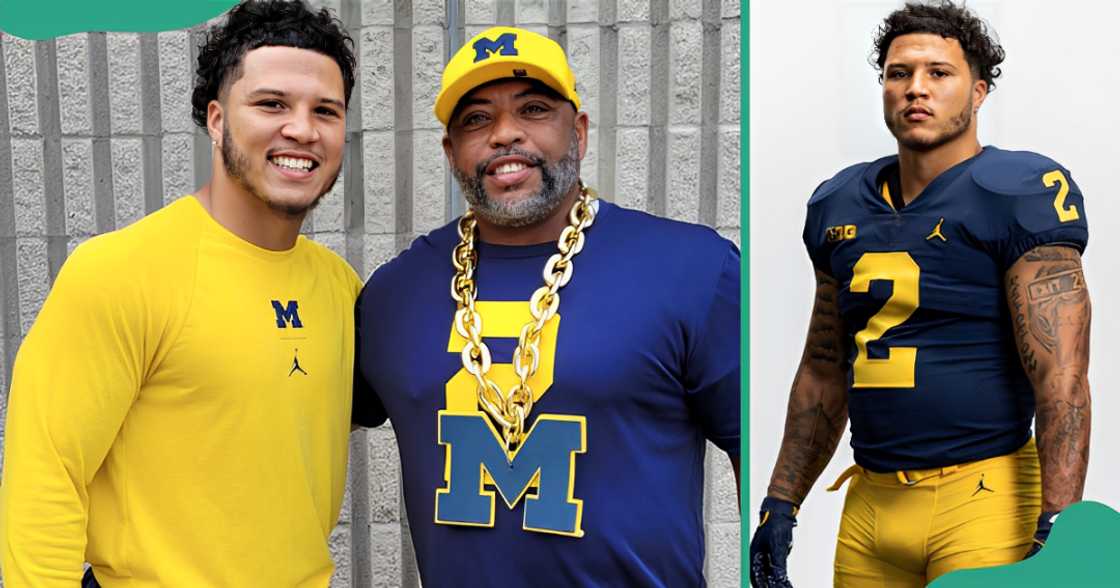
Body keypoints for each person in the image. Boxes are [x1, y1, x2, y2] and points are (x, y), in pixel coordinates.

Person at [352, 26, 740, 587]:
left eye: (533, 109)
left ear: (577, 131)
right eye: (476, 119)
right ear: (451, 151)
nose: (505, 134)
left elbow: (757, 459)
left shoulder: (695, 269)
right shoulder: (392, 294)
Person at [0, 1, 361, 586]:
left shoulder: (340, 287)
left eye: (326, 109)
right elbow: (46, 478)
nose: (303, 128)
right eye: (272, 103)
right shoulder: (120, 271)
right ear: (217, 119)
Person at [749, 2, 1091, 586]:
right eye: (899, 73)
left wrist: (1061, 519)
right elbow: (826, 366)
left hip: (984, 495)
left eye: (939, 73)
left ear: (979, 91)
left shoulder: (1018, 192)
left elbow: (1061, 375)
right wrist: (782, 500)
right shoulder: (839, 204)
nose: (915, 89)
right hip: (872, 502)